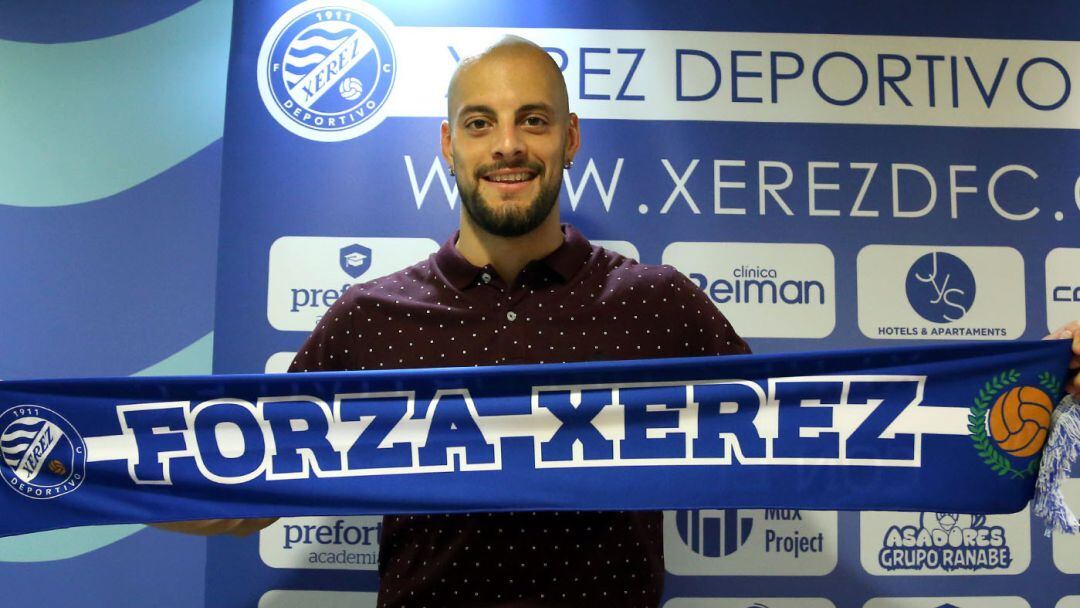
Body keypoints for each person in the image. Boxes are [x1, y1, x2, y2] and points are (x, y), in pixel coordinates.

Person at [155, 35, 1080, 608]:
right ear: (447, 144)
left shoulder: (656, 303)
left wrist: (1032, 386)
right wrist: (95, 466)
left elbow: (812, 434)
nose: (507, 144)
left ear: (569, 139)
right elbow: (249, 493)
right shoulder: (367, 321)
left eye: (532, 120)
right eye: (479, 123)